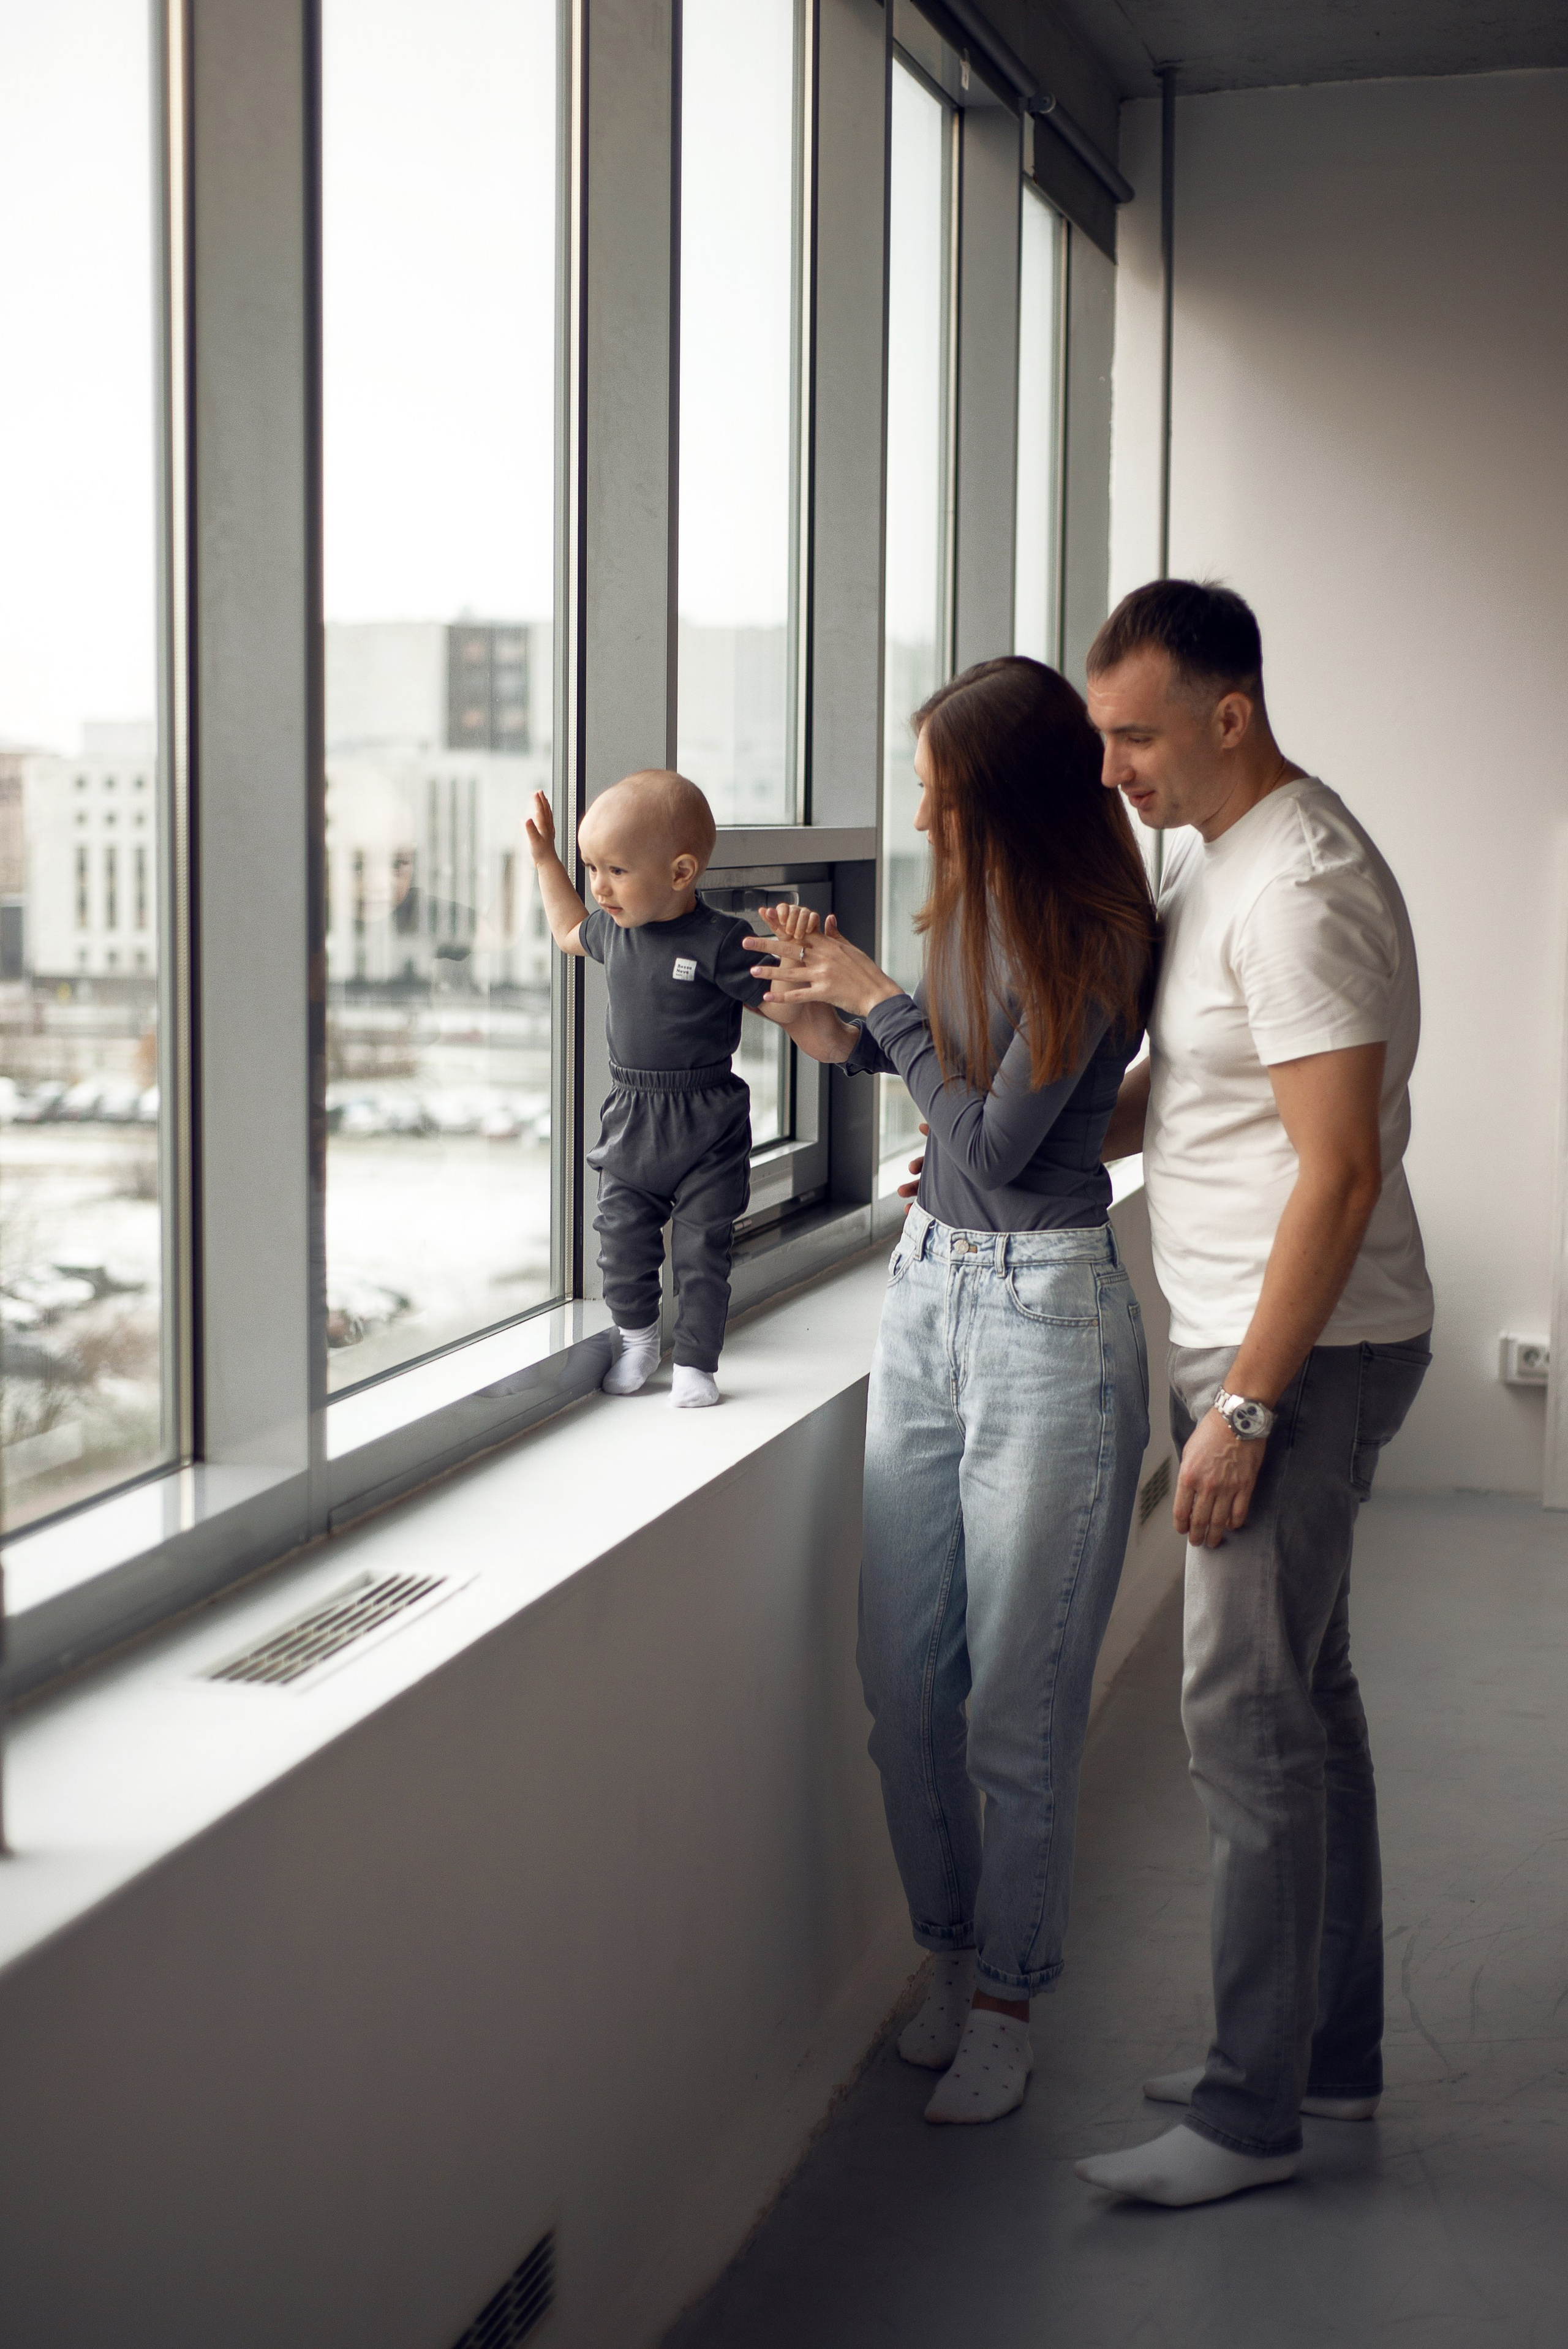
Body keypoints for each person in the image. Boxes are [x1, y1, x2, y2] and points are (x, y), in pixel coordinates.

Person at [753, 656, 1158, 2124]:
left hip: (1048, 1315)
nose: (917, 802)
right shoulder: (967, 903)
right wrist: (822, 1018)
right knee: (901, 1689)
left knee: (1014, 1708)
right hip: (927, 1290)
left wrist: (883, 1005)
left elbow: (991, 1146)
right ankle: (946, 1950)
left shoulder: (1097, 930)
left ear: (998, 790)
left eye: (936, 780)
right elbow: (954, 1114)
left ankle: (1006, 1994)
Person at [1072, 579, 1433, 2209]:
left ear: (1231, 713)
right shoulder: (1223, 859)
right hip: (1260, 1333)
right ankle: (1323, 2059)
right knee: (1309, 1700)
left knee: (1243, 1720)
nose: (1114, 768)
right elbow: (1206, 1084)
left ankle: (1245, 2113)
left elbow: (1342, 1172)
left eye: (1135, 733)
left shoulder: (1303, 885)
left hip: (1304, 1350)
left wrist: (1249, 1412)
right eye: (1100, 736)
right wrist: (1066, 1133)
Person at [526, 769, 815, 1406]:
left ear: (681, 872)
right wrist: (546, 859)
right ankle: (637, 1339)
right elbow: (567, 928)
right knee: (620, 1236)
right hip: (631, 1113)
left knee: (701, 1248)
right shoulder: (615, 929)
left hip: (706, 1120)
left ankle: (698, 1363)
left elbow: (788, 1008)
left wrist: (795, 959)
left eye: (616, 871)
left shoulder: (721, 941)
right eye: (591, 867)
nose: (598, 887)